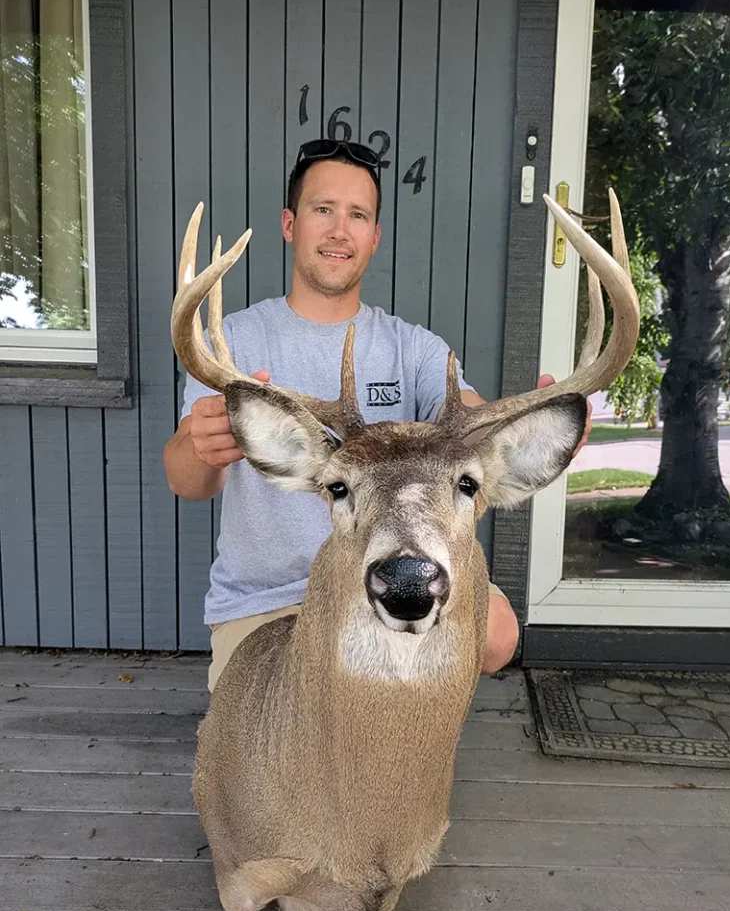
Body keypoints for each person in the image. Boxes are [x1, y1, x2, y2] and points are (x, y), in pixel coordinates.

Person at [163, 139, 591, 691]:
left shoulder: (412, 349)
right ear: (290, 224)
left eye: (358, 215)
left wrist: (534, 424)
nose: (340, 230)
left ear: (374, 236)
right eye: (324, 210)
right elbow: (186, 481)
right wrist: (203, 446)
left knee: (497, 635)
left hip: (390, 569)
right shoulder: (233, 344)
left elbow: (473, 425)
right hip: (273, 600)